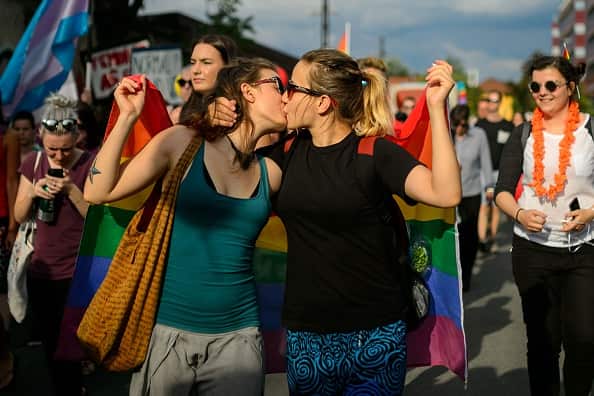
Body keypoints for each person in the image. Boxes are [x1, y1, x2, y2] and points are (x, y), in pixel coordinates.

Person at [83, 58, 287, 396]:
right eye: (276, 86)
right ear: (247, 92)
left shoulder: (273, 172)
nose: (285, 95)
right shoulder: (181, 143)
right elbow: (97, 191)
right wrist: (126, 118)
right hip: (167, 335)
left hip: (240, 341)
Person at [267, 49, 460, 395]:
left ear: (323, 102)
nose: (284, 97)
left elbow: (445, 193)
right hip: (307, 337)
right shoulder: (284, 153)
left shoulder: (376, 153)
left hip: (377, 335)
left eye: (292, 89)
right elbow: (229, 180)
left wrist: (436, 107)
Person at [495, 54, 594, 396]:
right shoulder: (523, 133)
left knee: (584, 338)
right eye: (535, 86)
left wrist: (590, 213)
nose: (542, 92)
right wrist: (520, 214)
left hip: (583, 251)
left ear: (570, 87)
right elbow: (502, 191)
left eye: (551, 84)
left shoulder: (589, 130)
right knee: (543, 342)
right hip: (532, 252)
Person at [13, 94, 95, 396]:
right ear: (40, 140)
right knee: (50, 341)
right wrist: (34, 193)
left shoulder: (89, 163)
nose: (58, 157)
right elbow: (19, 214)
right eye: (52, 150)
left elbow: (94, 215)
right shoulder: (33, 162)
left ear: (77, 139)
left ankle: (74, 386)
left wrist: (72, 189)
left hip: (77, 269)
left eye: (65, 149)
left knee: (72, 342)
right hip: (42, 271)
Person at [451, 104, 493, 292]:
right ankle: (454, 274)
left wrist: (489, 186)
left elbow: (485, 162)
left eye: (461, 125)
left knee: (469, 236)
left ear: (467, 122)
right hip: (449, 193)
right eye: (455, 125)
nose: (458, 129)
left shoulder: (478, 135)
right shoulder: (447, 134)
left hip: (471, 192)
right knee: (454, 235)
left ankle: (466, 273)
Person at [476, 89, 514, 252]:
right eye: (490, 101)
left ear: (500, 103)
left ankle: (492, 238)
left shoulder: (507, 125)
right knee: (484, 206)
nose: (492, 104)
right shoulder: (480, 124)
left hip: (499, 171)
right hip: (482, 172)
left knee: (496, 207)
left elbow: (512, 151)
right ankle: (482, 241)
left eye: (495, 101)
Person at [179, 34, 238, 124]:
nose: (195, 70)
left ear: (228, 66)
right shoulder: (186, 110)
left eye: (206, 62)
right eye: (193, 62)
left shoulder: (244, 111)